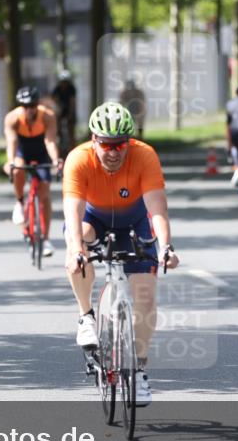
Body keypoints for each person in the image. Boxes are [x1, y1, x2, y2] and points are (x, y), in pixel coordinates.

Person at [62, 102, 179, 407]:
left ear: (130, 141)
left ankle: (139, 370)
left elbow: (157, 209)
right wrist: (76, 249)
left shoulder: (145, 156)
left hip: (134, 222)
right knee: (79, 248)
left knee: (147, 297)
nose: (113, 152)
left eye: (120, 145)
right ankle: (86, 316)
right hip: (93, 220)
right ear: (93, 140)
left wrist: (166, 247)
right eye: (106, 145)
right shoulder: (78, 159)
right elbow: (72, 213)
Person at [3, 86, 62, 257]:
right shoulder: (13, 118)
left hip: (41, 152)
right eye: (25, 106)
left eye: (32, 106)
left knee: (44, 194)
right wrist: (11, 161)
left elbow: (50, 141)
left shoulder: (48, 116)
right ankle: (20, 202)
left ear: (37, 104)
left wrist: (55, 160)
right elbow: (12, 142)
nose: (29, 109)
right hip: (22, 151)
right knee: (17, 170)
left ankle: (45, 239)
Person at [51, 69, 77, 151]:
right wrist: (58, 109)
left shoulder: (71, 88)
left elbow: (72, 102)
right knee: (57, 127)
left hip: (69, 108)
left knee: (71, 129)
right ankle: (58, 144)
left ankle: (72, 148)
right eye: (63, 82)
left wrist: (70, 114)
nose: (64, 84)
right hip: (60, 109)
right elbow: (54, 99)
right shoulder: (57, 89)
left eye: (65, 82)